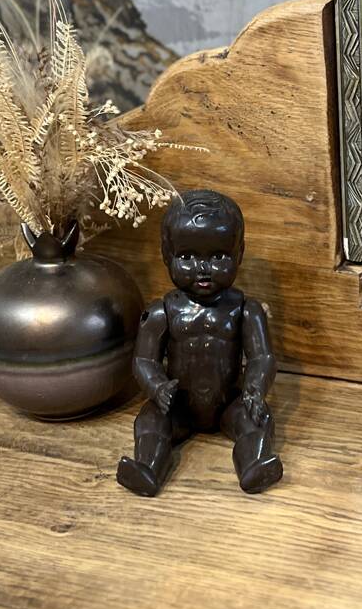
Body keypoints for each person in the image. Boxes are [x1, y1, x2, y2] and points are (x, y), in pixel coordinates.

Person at [116, 189, 283, 497]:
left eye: (218, 257)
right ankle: (148, 467)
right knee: (150, 420)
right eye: (187, 257)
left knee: (258, 420)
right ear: (166, 254)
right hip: (177, 404)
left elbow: (262, 358)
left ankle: (254, 464)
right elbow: (144, 360)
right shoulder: (161, 312)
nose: (202, 268)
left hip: (230, 402)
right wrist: (157, 387)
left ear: (239, 253)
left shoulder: (246, 309)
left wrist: (255, 389)